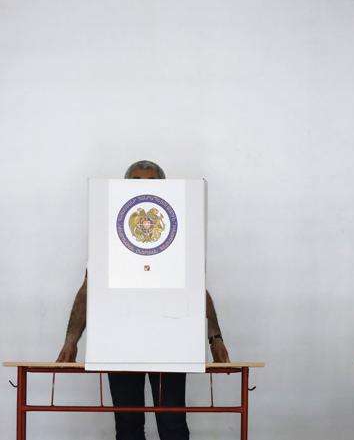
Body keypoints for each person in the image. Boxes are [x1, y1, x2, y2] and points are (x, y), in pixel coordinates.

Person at [56, 160, 230, 440]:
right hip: (121, 343)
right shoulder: (109, 239)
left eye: (151, 183)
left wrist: (216, 339)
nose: (143, 188)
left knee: (172, 424)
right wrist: (70, 341)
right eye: (136, 182)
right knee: (128, 425)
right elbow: (89, 289)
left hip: (169, 343)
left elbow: (197, 290)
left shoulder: (179, 238)